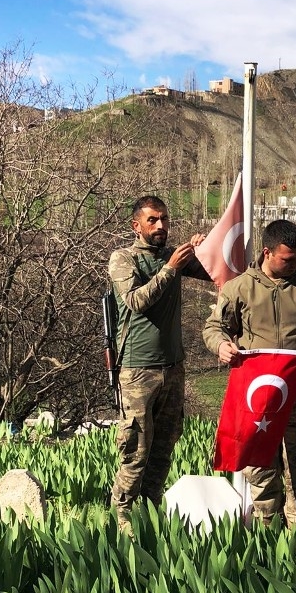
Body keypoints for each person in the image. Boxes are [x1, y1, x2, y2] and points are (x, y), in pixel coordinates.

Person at [203, 219, 296, 529]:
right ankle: (269, 532)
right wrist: (221, 346)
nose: (295, 264)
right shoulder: (240, 288)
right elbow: (215, 327)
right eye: (287, 259)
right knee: (261, 468)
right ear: (267, 252)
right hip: (257, 399)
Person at [108, 195, 210, 529]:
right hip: (137, 370)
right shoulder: (123, 259)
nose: (161, 226)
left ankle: (149, 517)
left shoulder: (173, 256)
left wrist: (205, 247)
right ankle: (121, 521)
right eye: (153, 220)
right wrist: (170, 269)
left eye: (164, 219)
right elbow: (137, 301)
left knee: (164, 448)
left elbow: (214, 270)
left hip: (172, 368)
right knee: (136, 451)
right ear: (136, 225)